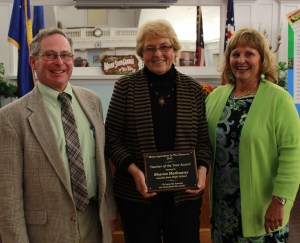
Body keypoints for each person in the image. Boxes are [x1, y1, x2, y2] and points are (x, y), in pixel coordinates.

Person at [0, 27, 116, 243]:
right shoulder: (10, 118)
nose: (59, 62)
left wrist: (108, 214)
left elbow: (102, 163)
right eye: (50, 55)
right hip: (46, 232)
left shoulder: (93, 102)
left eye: (65, 55)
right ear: (34, 62)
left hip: (94, 223)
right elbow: (8, 195)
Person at [105, 19, 212, 243]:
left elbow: (203, 140)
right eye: (150, 48)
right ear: (141, 53)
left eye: (164, 46)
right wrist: (134, 171)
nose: (158, 54)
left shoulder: (193, 90)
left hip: (184, 196)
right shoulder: (125, 87)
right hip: (137, 195)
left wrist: (202, 170)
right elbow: (112, 139)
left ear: (174, 49)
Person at [205, 28, 300, 242]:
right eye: (235, 54)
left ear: (262, 59)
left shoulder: (279, 99)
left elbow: (292, 155)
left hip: (263, 208)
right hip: (222, 208)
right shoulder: (216, 97)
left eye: (249, 54)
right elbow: (201, 141)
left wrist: (280, 201)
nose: (241, 60)